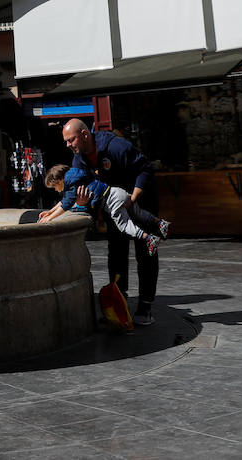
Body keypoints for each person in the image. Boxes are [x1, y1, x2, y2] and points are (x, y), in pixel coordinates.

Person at [58, 118, 161, 326]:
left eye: (71, 140)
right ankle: (118, 304)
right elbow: (78, 192)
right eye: (66, 142)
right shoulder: (79, 159)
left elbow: (146, 169)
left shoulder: (116, 146)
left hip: (140, 202)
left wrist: (132, 200)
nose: (68, 145)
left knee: (146, 254)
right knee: (116, 254)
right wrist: (80, 202)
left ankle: (145, 306)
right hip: (114, 208)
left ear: (85, 135)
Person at [39, 164, 170, 256]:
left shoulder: (71, 184)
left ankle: (149, 238)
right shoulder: (75, 176)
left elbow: (65, 205)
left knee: (124, 225)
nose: (56, 190)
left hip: (111, 201)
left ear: (58, 180)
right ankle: (160, 223)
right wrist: (50, 212)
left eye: (55, 187)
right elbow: (64, 201)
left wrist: (49, 219)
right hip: (117, 191)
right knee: (137, 212)